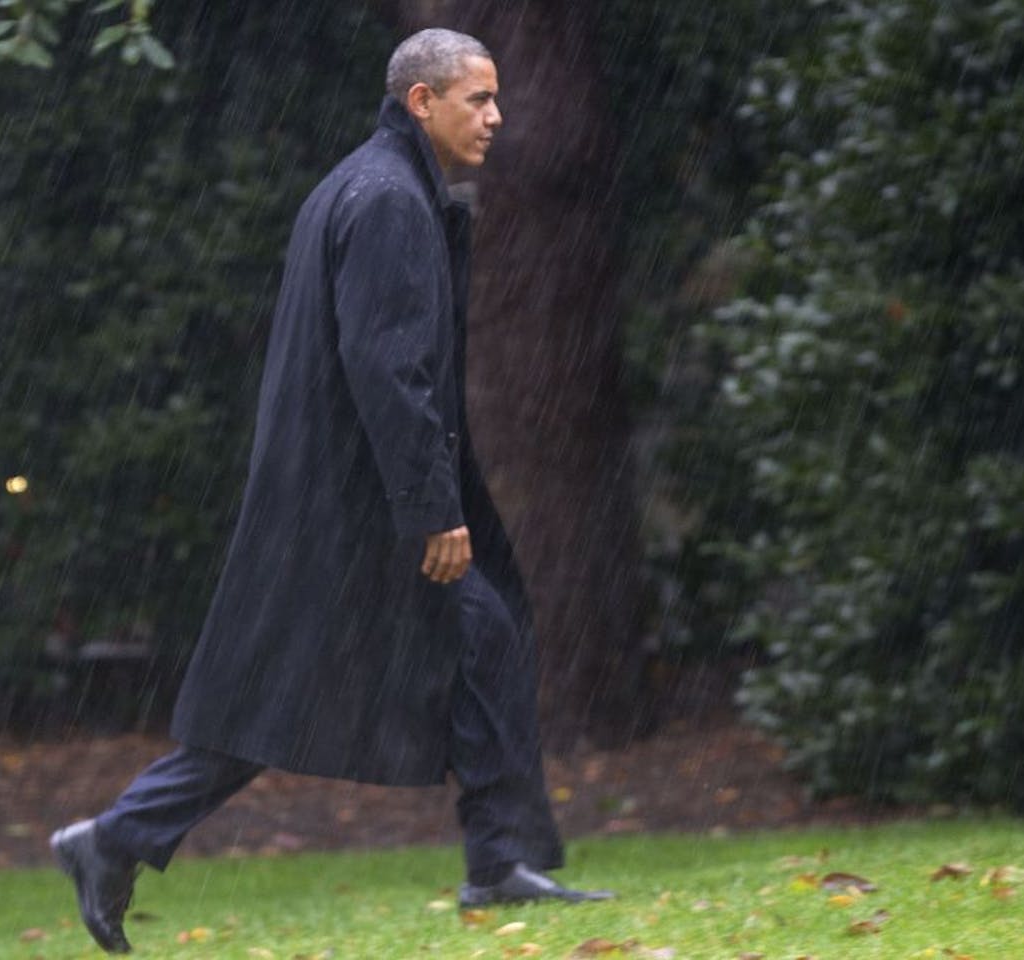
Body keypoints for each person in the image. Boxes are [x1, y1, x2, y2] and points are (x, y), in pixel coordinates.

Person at [50, 28, 611, 954]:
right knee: (292, 691)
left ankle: (497, 861)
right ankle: (114, 839)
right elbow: (389, 372)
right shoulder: (387, 198)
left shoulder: (367, 182)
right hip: (366, 507)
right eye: (479, 99)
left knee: (472, 644)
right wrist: (431, 510)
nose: (498, 117)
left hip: (344, 496)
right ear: (422, 102)